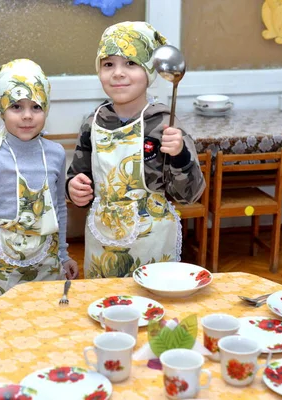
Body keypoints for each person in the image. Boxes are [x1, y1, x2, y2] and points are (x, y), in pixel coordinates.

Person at [66, 21, 205, 279]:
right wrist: (73, 188)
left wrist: (180, 156)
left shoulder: (165, 123)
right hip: (102, 244)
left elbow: (190, 194)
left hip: (153, 244)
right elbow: (77, 176)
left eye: (130, 63)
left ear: (149, 71)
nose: (118, 73)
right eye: (108, 64)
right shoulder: (92, 123)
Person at [0, 59, 78, 315]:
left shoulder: (55, 154)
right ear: (1, 110)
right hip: (0, 259)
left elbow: (58, 209)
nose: (27, 115)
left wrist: (64, 255)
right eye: (16, 106)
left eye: (36, 106)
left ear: (46, 109)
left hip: (45, 258)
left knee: (39, 317)